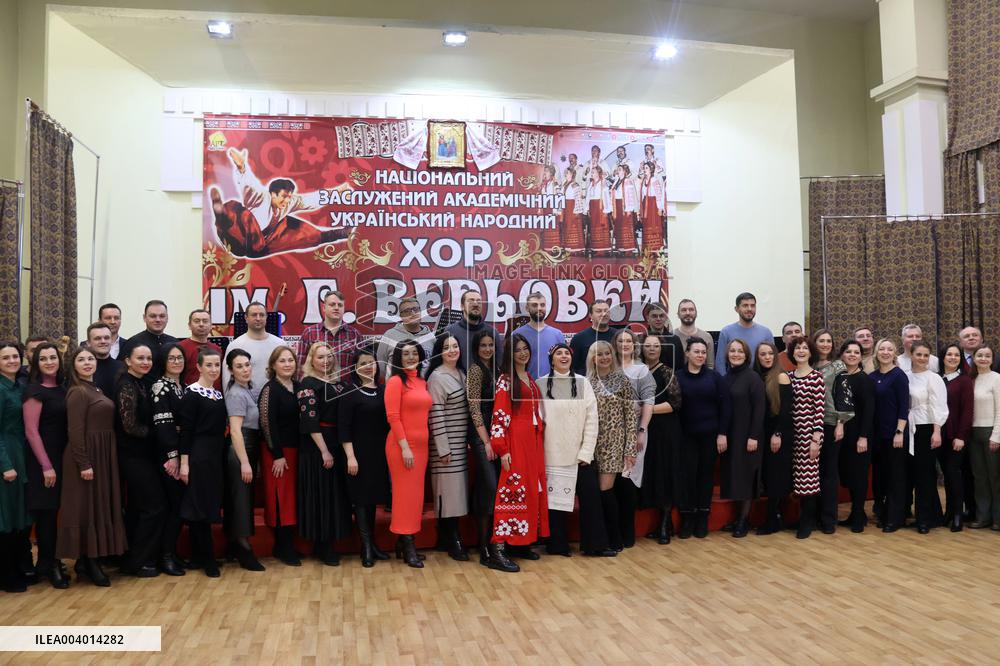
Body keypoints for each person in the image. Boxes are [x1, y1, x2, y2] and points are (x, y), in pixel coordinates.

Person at [56, 347, 127, 587]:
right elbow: (74, 431)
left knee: (98, 507)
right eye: (81, 360)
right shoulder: (77, 392)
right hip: (85, 457)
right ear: (73, 365)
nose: (87, 363)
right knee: (86, 509)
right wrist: (84, 463)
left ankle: (88, 561)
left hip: (103, 455)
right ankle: (90, 561)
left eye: (90, 359)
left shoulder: (95, 388)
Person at [209, 147, 349, 258]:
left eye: (289, 197)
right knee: (241, 214)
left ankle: (339, 234)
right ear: (273, 194)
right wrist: (241, 167)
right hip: (238, 237)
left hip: (260, 245)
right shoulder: (260, 197)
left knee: (299, 231)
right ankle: (220, 213)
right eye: (283, 196)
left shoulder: (289, 202)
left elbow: (311, 200)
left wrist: (338, 192)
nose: (287, 200)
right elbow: (249, 184)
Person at [539, 343, 605, 557]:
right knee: (555, 504)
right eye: (559, 353)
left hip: (579, 455)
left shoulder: (583, 383)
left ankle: (594, 546)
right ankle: (557, 546)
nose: (564, 356)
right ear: (551, 359)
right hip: (552, 454)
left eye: (567, 353)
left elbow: (592, 420)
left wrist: (587, 451)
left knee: (591, 500)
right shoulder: (540, 384)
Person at [491, 334, 548, 567]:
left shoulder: (529, 378)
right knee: (511, 490)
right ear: (510, 354)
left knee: (530, 490)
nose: (523, 353)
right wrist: (502, 448)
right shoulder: (505, 380)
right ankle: (498, 547)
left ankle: (521, 541)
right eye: (517, 350)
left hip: (532, 442)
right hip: (515, 440)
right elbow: (499, 415)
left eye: (525, 348)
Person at [297, 342, 353, 566]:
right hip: (317, 447)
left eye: (329, 356)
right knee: (321, 497)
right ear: (311, 360)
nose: (326, 361)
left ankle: (332, 541)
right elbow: (309, 421)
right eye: (320, 357)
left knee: (335, 496)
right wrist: (324, 451)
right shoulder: (307, 384)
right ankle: (323, 546)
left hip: (337, 444)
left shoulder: (339, 383)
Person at [465, 330, 517, 571]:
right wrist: (485, 441)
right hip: (481, 434)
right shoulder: (475, 371)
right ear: (476, 348)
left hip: (497, 432)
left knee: (490, 490)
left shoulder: (499, 370)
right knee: (491, 487)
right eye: (483, 345)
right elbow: (474, 409)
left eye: (490, 345)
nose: (487, 349)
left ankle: (489, 544)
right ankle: (486, 546)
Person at [115, 344, 166, 578]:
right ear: (128, 360)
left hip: (144, 455)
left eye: (148, 358)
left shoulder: (143, 382)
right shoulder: (126, 384)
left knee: (139, 507)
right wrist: (160, 432)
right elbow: (129, 426)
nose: (146, 362)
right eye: (140, 358)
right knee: (153, 506)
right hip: (132, 456)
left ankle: (135, 558)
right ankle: (139, 560)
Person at [338, 348, 391, 568]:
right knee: (360, 500)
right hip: (357, 455)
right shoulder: (349, 393)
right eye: (363, 363)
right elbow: (344, 427)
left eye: (371, 362)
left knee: (372, 501)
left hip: (378, 455)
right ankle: (366, 546)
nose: (369, 366)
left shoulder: (383, 390)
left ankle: (373, 544)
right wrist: (350, 456)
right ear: (355, 368)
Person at [21, 343, 68, 588]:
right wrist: (46, 465)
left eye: (53, 357)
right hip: (43, 461)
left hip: (62, 458)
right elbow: (31, 431)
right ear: (36, 364)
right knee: (46, 515)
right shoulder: (34, 391)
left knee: (55, 515)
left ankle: (49, 563)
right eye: (44, 358)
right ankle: (48, 565)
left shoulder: (63, 388)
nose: (50, 362)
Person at [177, 348, 228, 577]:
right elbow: (185, 432)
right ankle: (208, 560)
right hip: (198, 455)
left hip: (215, 455)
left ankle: (199, 556)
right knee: (200, 508)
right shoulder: (191, 394)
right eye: (209, 365)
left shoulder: (217, 394)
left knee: (208, 505)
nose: (214, 369)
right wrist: (184, 463)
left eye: (217, 365)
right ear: (198, 367)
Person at [384, 340, 432, 568]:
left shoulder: (422, 382)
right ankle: (408, 543)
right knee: (404, 497)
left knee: (415, 498)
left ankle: (403, 543)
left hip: (422, 448)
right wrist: (404, 447)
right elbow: (393, 417)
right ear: (398, 359)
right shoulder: (395, 382)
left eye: (415, 353)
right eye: (406, 354)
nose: (411, 357)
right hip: (402, 447)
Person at [675, 337, 729, 538]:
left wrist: (722, 433)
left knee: (705, 478)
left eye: (703, 352)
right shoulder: (678, 377)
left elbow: (726, 407)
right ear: (687, 353)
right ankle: (687, 518)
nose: (700, 355)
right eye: (696, 351)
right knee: (687, 477)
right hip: (686, 437)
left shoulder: (715, 378)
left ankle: (702, 518)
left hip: (710, 437)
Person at [587, 340, 637, 550]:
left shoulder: (622, 380)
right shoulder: (586, 382)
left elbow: (631, 416)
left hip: (614, 443)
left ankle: (614, 538)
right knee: (597, 493)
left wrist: (630, 447)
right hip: (591, 444)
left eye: (608, 353)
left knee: (605, 489)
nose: (605, 357)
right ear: (593, 358)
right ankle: (602, 537)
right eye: (600, 354)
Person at [425, 334, 471, 561]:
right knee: (449, 496)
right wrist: (443, 449)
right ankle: (453, 540)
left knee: (458, 495)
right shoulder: (436, 377)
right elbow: (436, 415)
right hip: (446, 448)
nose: (452, 350)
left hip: (460, 445)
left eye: (455, 346)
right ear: (439, 352)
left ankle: (446, 538)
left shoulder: (461, 373)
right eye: (446, 347)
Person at [258, 345, 303, 566]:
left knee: (292, 499)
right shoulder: (270, 389)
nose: (287, 364)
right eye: (282, 361)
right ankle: (283, 547)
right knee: (280, 499)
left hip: (297, 451)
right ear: (273, 365)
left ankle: (288, 545)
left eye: (290, 360)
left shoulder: (298, 386)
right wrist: (277, 454)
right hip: (277, 453)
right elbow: (267, 423)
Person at [222, 349, 266, 571]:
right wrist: (245, 462)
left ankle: (232, 545)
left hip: (250, 445)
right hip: (241, 448)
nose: (245, 369)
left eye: (247, 365)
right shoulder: (236, 394)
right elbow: (236, 431)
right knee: (241, 500)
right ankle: (243, 548)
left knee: (241, 498)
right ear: (230, 370)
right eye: (239, 366)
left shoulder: (248, 389)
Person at [149, 342, 189, 576]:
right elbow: (163, 426)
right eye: (172, 358)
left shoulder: (181, 387)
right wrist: (173, 457)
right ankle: (165, 557)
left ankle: (172, 552)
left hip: (181, 453)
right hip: (167, 457)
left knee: (179, 506)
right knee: (172, 507)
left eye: (180, 358)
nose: (177, 362)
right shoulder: (160, 387)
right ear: (163, 362)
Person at [719, 339, 765, 538]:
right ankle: (738, 518)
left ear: (746, 355)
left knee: (745, 478)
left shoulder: (753, 377)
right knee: (734, 477)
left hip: (748, 436)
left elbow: (759, 409)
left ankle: (744, 521)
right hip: (731, 435)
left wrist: (753, 436)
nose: (736, 354)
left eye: (740, 351)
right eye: (732, 351)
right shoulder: (726, 377)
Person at [638, 335, 682, 544]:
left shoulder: (666, 371)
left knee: (664, 475)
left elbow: (675, 403)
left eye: (656, 346)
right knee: (653, 474)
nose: (652, 349)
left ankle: (665, 524)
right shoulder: (637, 370)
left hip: (665, 431)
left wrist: (646, 410)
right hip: (645, 430)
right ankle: (663, 523)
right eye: (648, 346)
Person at [613, 329, 654, 548]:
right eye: (621, 341)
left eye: (629, 340)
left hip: (634, 434)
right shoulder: (607, 367)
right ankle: (615, 533)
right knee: (614, 483)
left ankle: (627, 533)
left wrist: (642, 430)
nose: (625, 344)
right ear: (615, 344)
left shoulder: (641, 369)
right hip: (610, 436)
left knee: (628, 481)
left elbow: (648, 402)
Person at [811, 329, 855, 534]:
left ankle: (829, 520)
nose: (826, 344)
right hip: (810, 424)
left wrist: (841, 423)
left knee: (828, 472)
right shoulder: (808, 365)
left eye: (829, 341)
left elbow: (844, 397)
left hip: (830, 423)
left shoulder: (839, 366)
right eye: (822, 340)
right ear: (815, 343)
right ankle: (813, 516)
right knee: (812, 474)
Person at [905, 341, 948, 533]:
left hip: (926, 428)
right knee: (913, 474)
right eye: (918, 354)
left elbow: (939, 406)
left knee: (925, 475)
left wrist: (937, 431)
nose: (922, 358)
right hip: (908, 428)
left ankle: (925, 519)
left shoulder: (934, 378)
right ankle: (926, 514)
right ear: (911, 355)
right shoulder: (905, 376)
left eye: (926, 355)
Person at [0, 342, 31, 593]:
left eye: (15, 356)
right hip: (6, 457)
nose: (12, 360)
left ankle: (17, 567)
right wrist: (6, 465)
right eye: (6, 357)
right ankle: (6, 575)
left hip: (20, 453)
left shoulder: (19, 384)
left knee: (18, 516)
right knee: (6, 517)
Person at [869, 338, 910, 532]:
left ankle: (896, 517)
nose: (885, 352)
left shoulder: (899, 375)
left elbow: (904, 407)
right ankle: (883, 513)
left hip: (895, 434)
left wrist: (899, 432)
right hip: (877, 436)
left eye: (889, 349)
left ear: (894, 354)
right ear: (876, 353)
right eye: (881, 349)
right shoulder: (873, 376)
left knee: (895, 477)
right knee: (881, 476)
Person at [787, 336, 825, 539]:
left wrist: (815, 439)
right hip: (792, 435)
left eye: (805, 348)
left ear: (811, 353)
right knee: (796, 480)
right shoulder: (789, 376)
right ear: (792, 353)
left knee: (808, 480)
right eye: (797, 348)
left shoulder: (816, 377)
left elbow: (819, 411)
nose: (801, 351)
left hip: (809, 435)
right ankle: (800, 517)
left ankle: (807, 523)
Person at [753, 341, 793, 535]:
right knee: (768, 478)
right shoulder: (758, 376)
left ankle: (772, 520)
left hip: (778, 433)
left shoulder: (782, 376)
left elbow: (786, 411)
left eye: (770, 353)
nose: (767, 357)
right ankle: (775, 517)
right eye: (763, 354)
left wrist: (778, 434)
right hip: (763, 433)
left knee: (775, 479)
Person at [837, 340, 875, 533]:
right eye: (848, 351)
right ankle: (853, 513)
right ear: (842, 354)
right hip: (842, 435)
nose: (852, 355)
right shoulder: (839, 377)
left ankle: (859, 515)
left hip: (859, 435)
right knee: (849, 476)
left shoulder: (864, 379)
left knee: (859, 477)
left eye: (856, 352)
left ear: (861, 356)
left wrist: (863, 437)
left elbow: (869, 411)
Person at [939, 343, 973, 532]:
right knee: (947, 475)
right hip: (940, 436)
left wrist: (961, 436)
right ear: (943, 357)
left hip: (956, 437)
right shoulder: (938, 379)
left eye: (957, 355)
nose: (953, 358)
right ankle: (949, 512)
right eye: (949, 354)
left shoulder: (964, 380)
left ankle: (959, 514)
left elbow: (968, 412)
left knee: (954, 475)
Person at [297, 290, 361, 383]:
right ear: (324, 307)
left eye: (340, 305)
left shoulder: (355, 335)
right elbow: (300, 367)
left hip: (347, 392)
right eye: (332, 304)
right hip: (316, 391)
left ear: (344, 308)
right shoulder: (310, 333)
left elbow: (362, 367)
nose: (336, 308)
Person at [969, 345, 1000, 530]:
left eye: (987, 356)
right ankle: (983, 516)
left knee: (995, 477)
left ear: (992, 359)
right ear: (973, 358)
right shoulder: (971, 379)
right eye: (980, 355)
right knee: (979, 477)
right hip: (973, 433)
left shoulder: (997, 379)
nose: (983, 358)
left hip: (991, 433)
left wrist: (996, 436)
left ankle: (998, 518)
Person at [222, 302, 284, 390]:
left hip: (274, 399)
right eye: (254, 315)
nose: (258, 318)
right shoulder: (235, 346)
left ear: (266, 317)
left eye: (262, 315)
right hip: (245, 400)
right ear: (246, 318)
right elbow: (227, 379)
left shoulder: (280, 344)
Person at [375, 296, 434, 378]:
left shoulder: (430, 337)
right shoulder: (389, 335)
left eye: (415, 309)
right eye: (407, 311)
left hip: (424, 388)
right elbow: (380, 367)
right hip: (397, 388)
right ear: (401, 316)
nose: (413, 313)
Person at [715, 293, 774, 374]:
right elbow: (720, 363)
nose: (749, 309)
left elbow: (773, 361)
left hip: (760, 381)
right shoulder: (726, 332)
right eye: (745, 305)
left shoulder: (766, 333)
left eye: (752, 305)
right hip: (734, 381)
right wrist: (724, 384)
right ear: (736, 309)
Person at [445, 289, 502, 372]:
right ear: (462, 306)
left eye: (479, 301)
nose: (475, 304)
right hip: (457, 383)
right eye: (471, 301)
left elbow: (499, 362)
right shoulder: (450, 331)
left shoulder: (492, 332)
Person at [512, 292, 565, 379]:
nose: (539, 308)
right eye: (534, 305)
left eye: (542, 305)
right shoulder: (517, 334)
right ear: (527, 308)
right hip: (526, 386)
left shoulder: (557, 334)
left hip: (552, 386)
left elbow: (563, 364)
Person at [569, 300, 617, 375]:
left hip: (615, 382)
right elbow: (573, 367)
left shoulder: (619, 336)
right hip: (587, 384)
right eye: (599, 311)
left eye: (606, 311)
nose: (604, 314)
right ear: (590, 315)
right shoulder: (579, 338)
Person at [178, 309, 222, 388]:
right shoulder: (180, 348)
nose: (201, 324)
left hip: (214, 396)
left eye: (205, 321)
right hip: (190, 397)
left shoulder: (217, 349)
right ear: (189, 325)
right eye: (197, 321)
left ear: (211, 325)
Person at [674, 299, 715, 370]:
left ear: (696, 313)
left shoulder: (707, 337)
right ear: (678, 314)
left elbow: (710, 365)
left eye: (691, 310)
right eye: (684, 310)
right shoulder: (671, 336)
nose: (688, 313)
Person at [86, 322, 124, 397]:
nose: (103, 341)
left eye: (106, 338)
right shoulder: (83, 369)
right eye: (97, 338)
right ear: (88, 343)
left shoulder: (122, 368)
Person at [643, 302, 684, 369]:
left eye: (661, 316)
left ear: (666, 318)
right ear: (648, 318)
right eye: (654, 316)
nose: (658, 319)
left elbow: (680, 366)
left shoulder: (675, 340)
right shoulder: (640, 340)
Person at [637, 161, 666, 253]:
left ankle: (656, 249)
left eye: (646, 168)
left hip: (653, 206)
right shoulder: (643, 181)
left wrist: (660, 208)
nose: (644, 170)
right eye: (644, 168)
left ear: (651, 170)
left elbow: (659, 195)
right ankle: (648, 249)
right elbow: (642, 195)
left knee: (654, 225)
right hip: (646, 205)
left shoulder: (654, 180)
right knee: (646, 225)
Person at [610, 164, 638, 254]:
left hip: (625, 206)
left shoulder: (628, 181)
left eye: (620, 169)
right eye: (618, 169)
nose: (618, 171)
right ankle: (621, 247)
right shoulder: (617, 181)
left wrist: (629, 209)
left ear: (625, 171)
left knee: (626, 226)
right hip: (617, 205)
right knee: (619, 226)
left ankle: (628, 248)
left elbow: (630, 195)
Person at [585, 165, 613, 256]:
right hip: (593, 207)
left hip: (600, 208)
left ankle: (602, 249)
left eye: (593, 172)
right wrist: (587, 208)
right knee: (593, 227)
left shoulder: (602, 184)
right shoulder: (591, 184)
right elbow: (588, 197)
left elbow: (606, 197)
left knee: (601, 227)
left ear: (598, 173)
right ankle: (596, 248)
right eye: (591, 172)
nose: (591, 174)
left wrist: (606, 210)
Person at [559, 166, 586, 255]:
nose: (566, 175)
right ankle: (567, 247)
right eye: (565, 173)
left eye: (568, 173)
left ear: (572, 174)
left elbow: (578, 198)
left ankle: (575, 248)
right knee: (566, 226)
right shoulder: (564, 184)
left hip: (572, 207)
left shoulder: (575, 185)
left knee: (573, 226)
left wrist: (576, 211)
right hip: (566, 207)